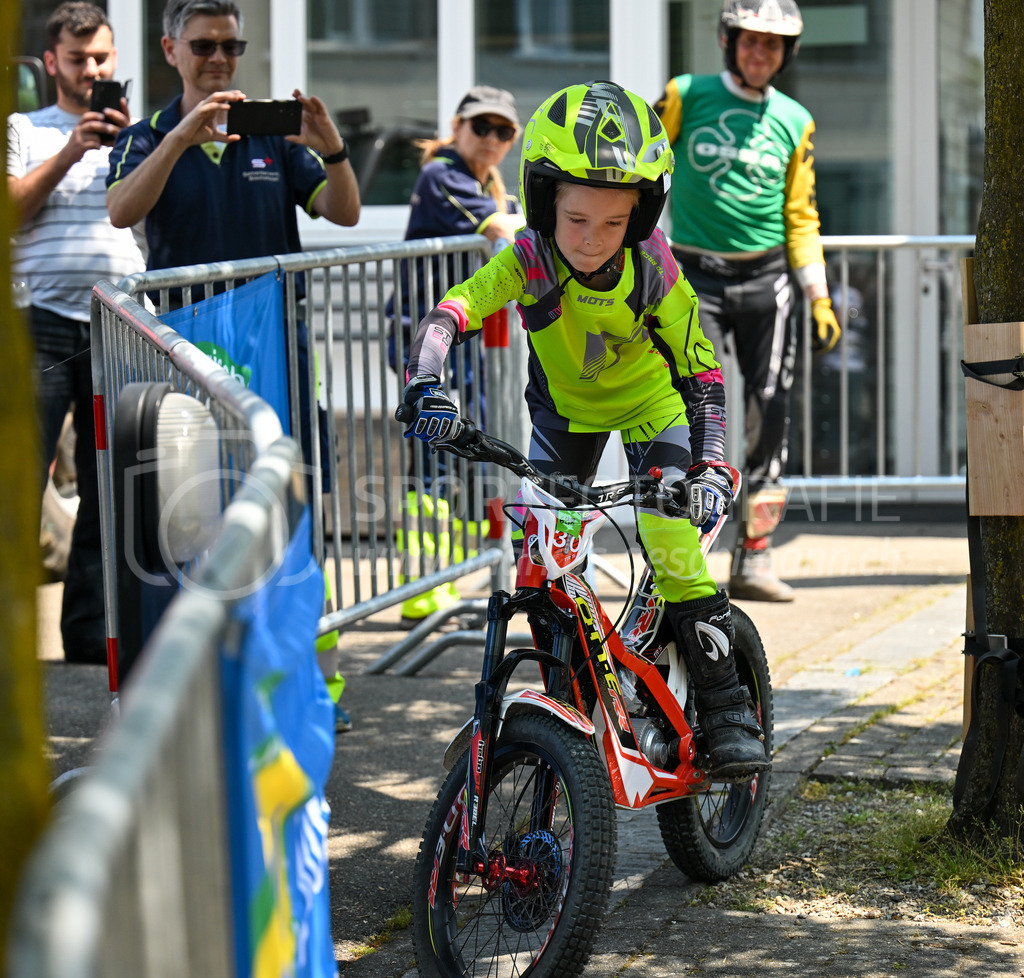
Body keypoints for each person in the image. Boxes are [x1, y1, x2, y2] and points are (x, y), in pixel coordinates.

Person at [397, 81, 770, 779]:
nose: (593, 240)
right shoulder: (530, 259)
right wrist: (424, 380)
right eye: (575, 220)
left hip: (652, 409)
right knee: (542, 558)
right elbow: (455, 309)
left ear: (640, 217)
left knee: (668, 537)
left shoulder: (654, 264)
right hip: (564, 416)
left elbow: (703, 374)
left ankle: (725, 707)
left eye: (612, 223)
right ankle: (567, 703)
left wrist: (712, 465)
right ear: (543, 206)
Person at [105, 0, 360, 727]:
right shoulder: (148, 135)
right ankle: (212, 684)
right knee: (195, 517)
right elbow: (122, 210)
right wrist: (184, 135)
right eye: (204, 44)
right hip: (188, 360)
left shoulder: (272, 141)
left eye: (232, 45)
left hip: (276, 348)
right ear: (170, 49)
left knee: (292, 508)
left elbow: (342, 212)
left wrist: (332, 147)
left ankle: (310, 685)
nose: (220, 58)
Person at [654, 0, 840, 602]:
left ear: (788, 54)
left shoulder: (795, 119)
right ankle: (680, 555)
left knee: (770, 410)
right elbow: (644, 168)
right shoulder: (685, 92)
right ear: (727, 41)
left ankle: (754, 556)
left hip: (767, 278)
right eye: (750, 41)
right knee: (687, 406)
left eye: (773, 45)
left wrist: (818, 293)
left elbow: (800, 211)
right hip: (693, 274)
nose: (760, 54)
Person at [8, 1, 146, 664]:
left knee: (105, 487)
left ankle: (88, 634)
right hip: (39, 317)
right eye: (77, 59)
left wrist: (127, 145)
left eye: (101, 59)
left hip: (117, 320)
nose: (91, 71)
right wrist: (71, 150)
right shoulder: (24, 128)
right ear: (50, 62)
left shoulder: (142, 136)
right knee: (22, 481)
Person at [389, 85, 524, 622]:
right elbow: (509, 232)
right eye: (481, 127)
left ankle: (451, 575)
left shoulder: (485, 184)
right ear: (457, 126)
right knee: (430, 459)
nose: (491, 139)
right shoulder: (441, 175)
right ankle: (421, 585)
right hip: (426, 340)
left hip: (468, 343)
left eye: (503, 131)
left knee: (468, 452)